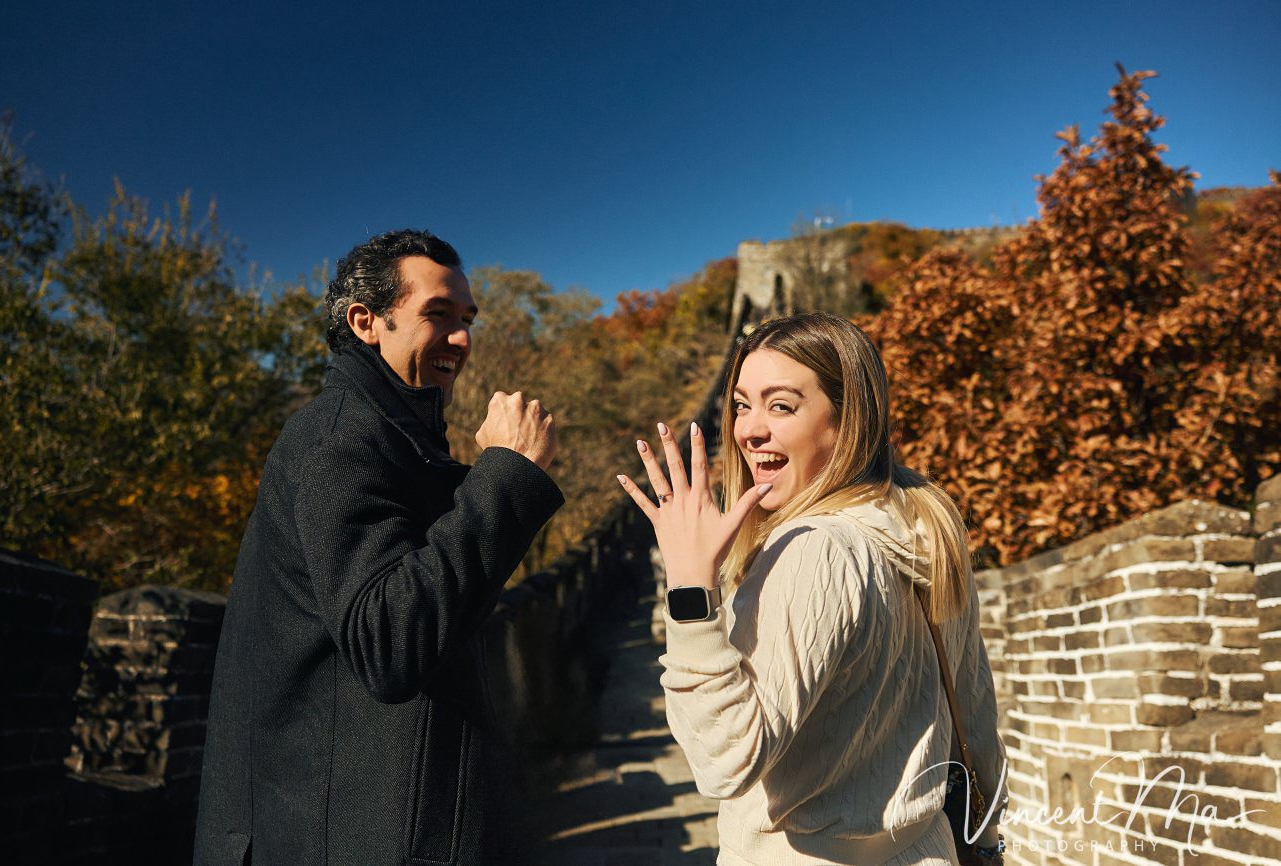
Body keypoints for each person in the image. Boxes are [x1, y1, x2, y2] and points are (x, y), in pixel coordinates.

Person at [195, 229, 563, 865]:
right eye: (438, 315)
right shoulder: (342, 440)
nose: (462, 339)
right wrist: (505, 476)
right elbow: (391, 641)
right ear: (366, 322)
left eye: (467, 319)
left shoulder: (395, 439)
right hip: (348, 836)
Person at [617, 312, 1008, 865]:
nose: (749, 430)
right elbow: (975, 712)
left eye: (781, 406)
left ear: (848, 421)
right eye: (742, 405)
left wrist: (688, 589)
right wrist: (988, 846)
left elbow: (723, 761)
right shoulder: (925, 523)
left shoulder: (814, 549)